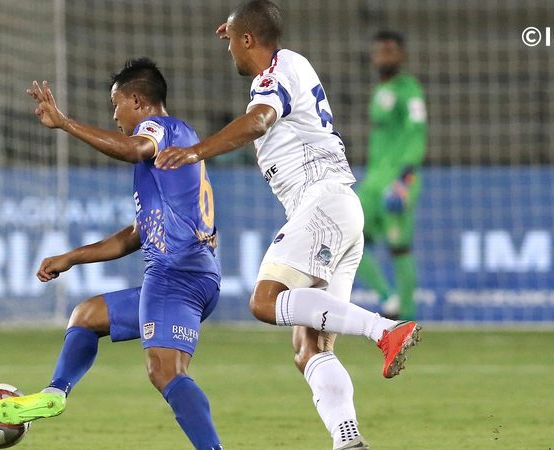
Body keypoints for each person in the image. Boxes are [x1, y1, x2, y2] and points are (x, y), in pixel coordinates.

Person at [154, 2, 421, 449]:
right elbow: (256, 53)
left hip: (322, 204)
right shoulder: (289, 66)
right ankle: (348, 439)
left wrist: (196, 151)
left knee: (264, 301)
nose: (230, 52)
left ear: (248, 40)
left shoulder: (274, 75)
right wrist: (240, 30)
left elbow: (259, 120)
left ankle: (384, 329)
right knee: (309, 349)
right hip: (339, 210)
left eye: (235, 43)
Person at [0, 58, 224, 450]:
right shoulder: (173, 150)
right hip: (194, 273)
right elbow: (134, 235)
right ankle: (55, 392)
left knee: (166, 372)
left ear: (137, 101)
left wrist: (65, 123)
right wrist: (71, 257)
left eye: (116, 105)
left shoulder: (160, 129)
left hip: (175, 273)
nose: (114, 115)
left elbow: (134, 148)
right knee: (87, 315)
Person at [356, 30, 428, 321]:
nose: (384, 57)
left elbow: (417, 133)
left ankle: (407, 318)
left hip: (398, 181)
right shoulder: (379, 91)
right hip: (372, 181)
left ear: (402, 55)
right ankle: (390, 299)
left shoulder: (409, 90)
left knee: (399, 248)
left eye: (391, 51)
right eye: (380, 51)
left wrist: (405, 178)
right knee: (349, 241)